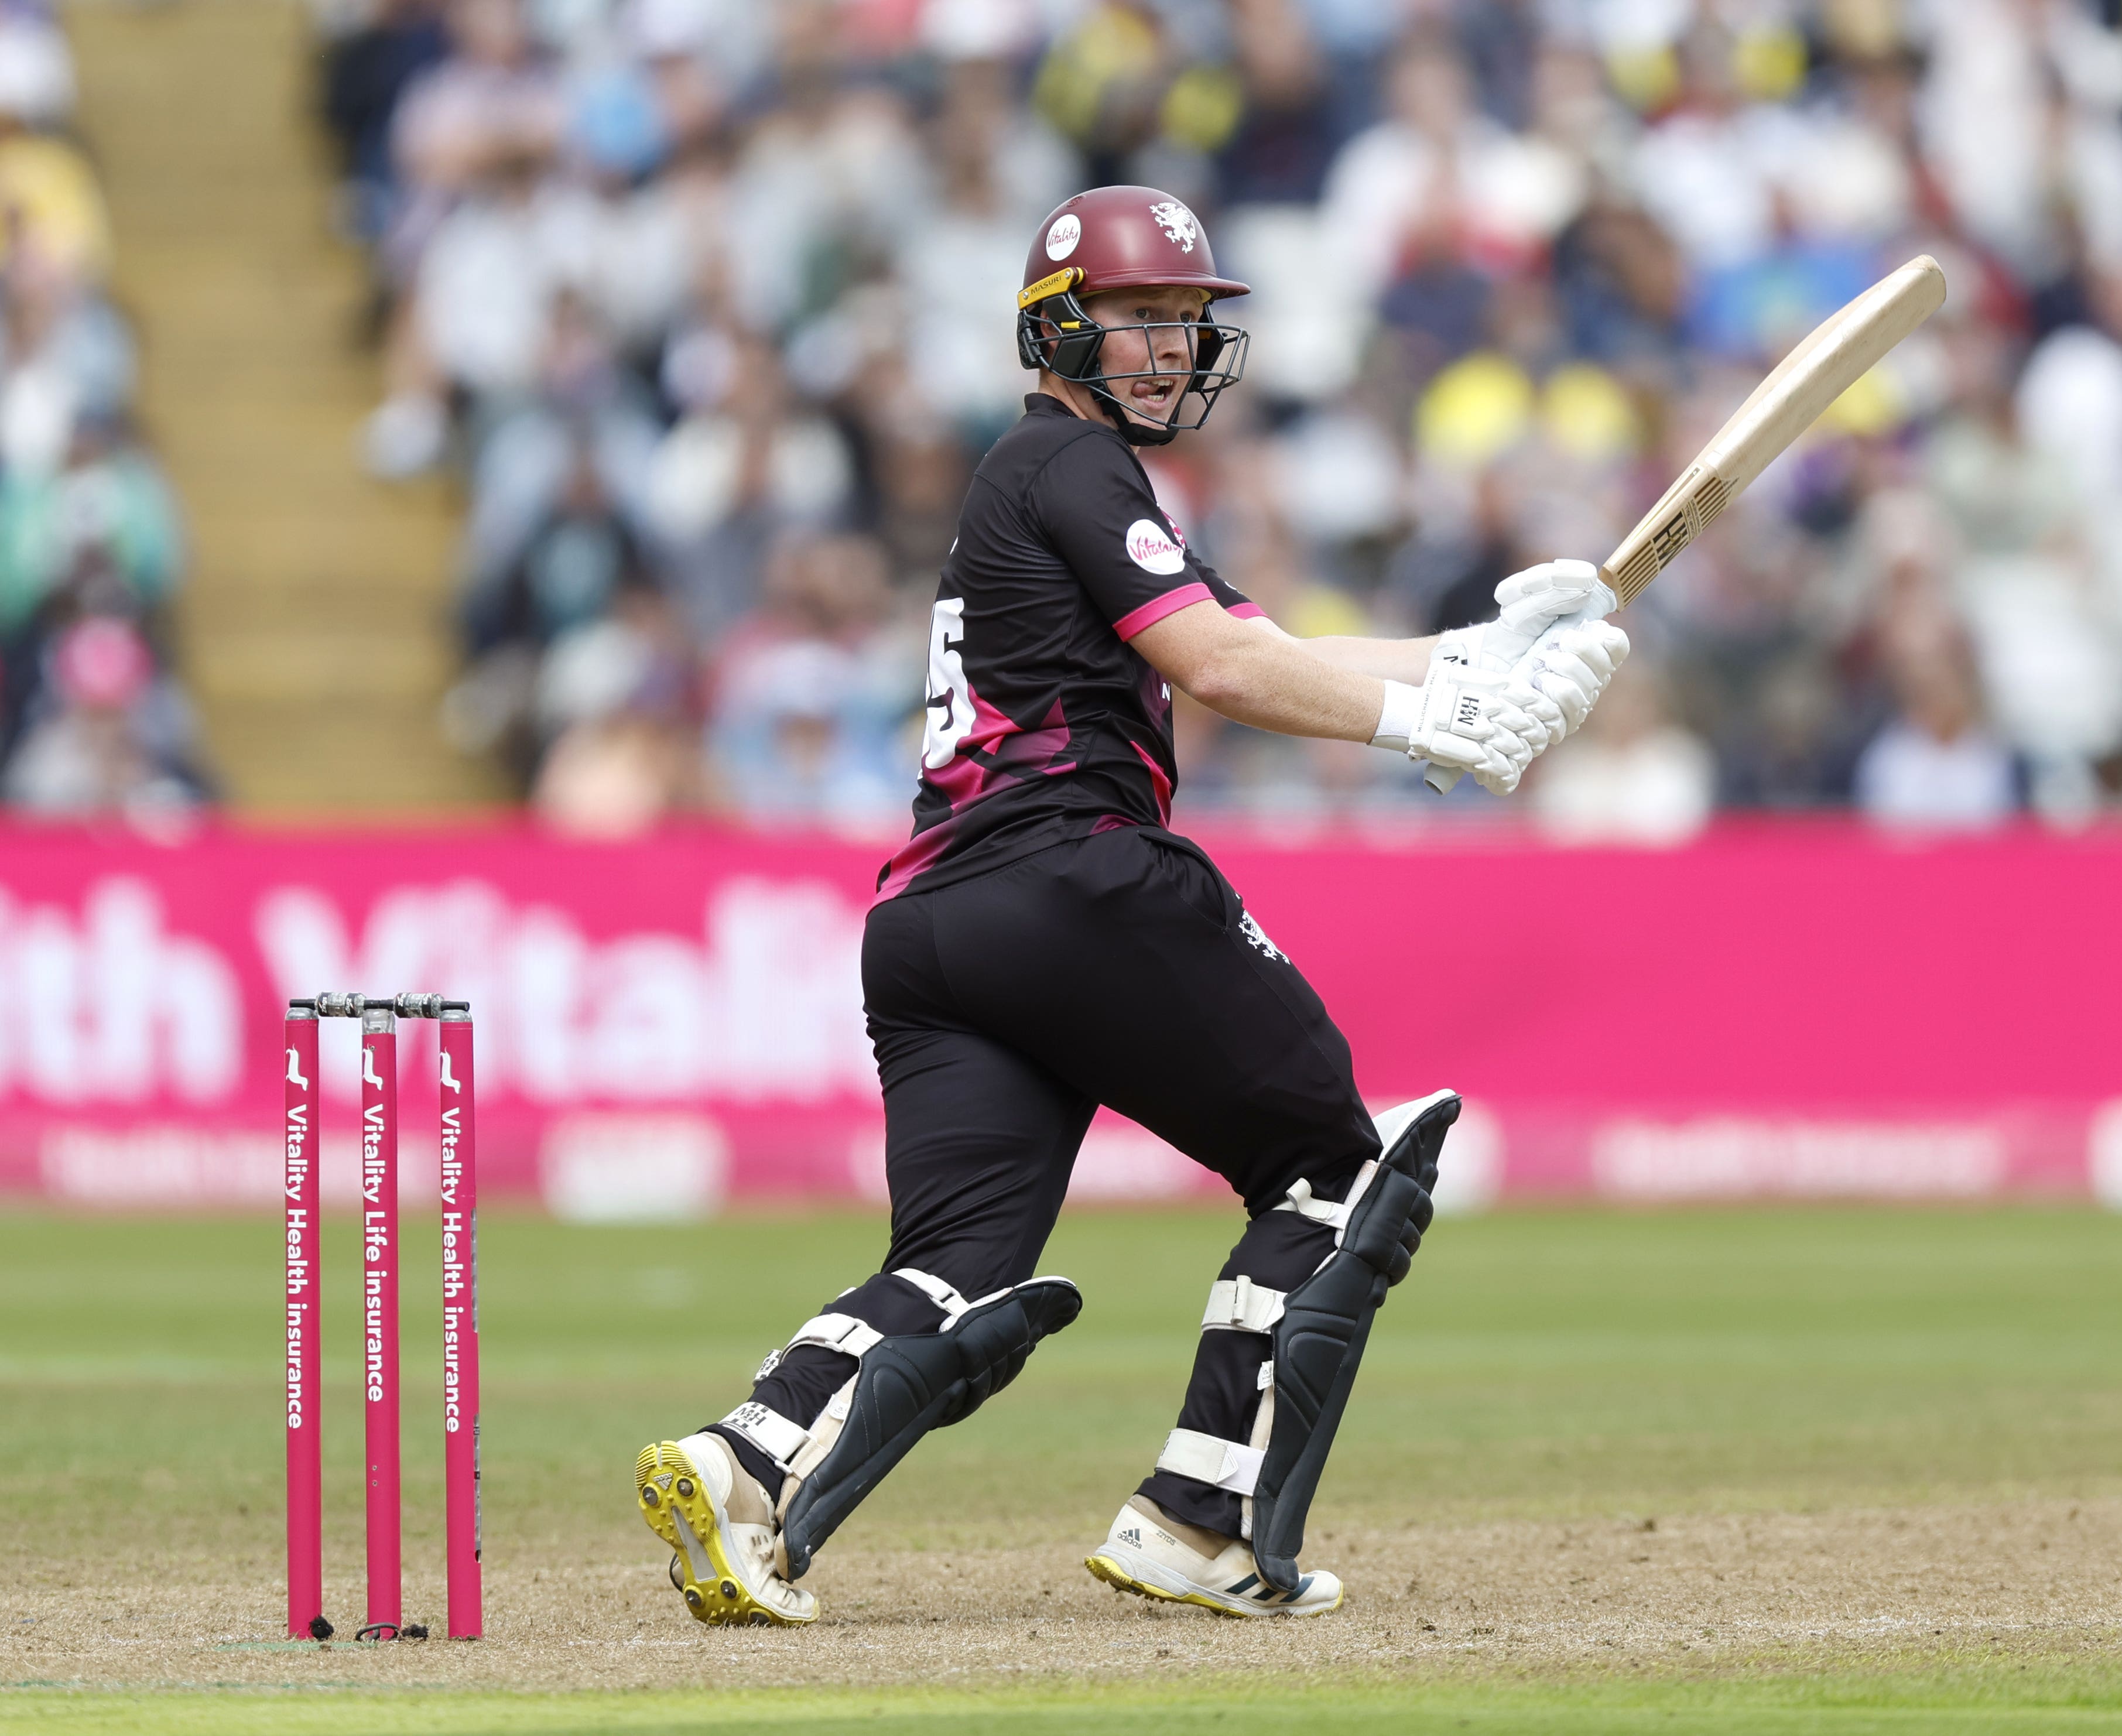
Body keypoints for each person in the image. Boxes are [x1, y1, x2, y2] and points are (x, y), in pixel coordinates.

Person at [632, 186, 1631, 1625]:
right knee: (1332, 1174)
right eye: (1138, 319)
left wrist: (1475, 646)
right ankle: (1198, 1517)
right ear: (1059, 330)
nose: (1167, 349)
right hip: (1071, 876)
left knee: (957, 1264)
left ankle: (739, 1464)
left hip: (930, 927)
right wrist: (1429, 729)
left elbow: (1247, 639)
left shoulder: (1059, 485)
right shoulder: (1074, 470)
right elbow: (1220, 674)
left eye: (1182, 322)